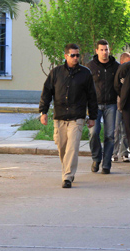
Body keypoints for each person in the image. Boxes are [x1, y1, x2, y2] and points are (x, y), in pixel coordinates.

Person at [39, 43, 97, 188]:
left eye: (78, 55)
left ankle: (67, 177)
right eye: (73, 55)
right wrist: (43, 111)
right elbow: (46, 92)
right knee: (62, 147)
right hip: (59, 117)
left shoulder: (85, 73)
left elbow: (92, 96)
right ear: (65, 56)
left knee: (72, 147)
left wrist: (93, 116)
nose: (76, 58)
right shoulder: (56, 73)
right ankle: (67, 169)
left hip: (77, 117)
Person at [86, 39, 120, 174]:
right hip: (94, 105)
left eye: (106, 49)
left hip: (111, 105)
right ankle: (96, 158)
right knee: (93, 133)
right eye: (101, 50)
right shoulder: (90, 66)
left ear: (109, 50)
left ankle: (106, 164)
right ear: (97, 51)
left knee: (110, 136)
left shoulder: (116, 66)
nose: (104, 52)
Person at [113, 52, 130, 163]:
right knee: (115, 130)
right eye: (127, 62)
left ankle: (125, 153)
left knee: (126, 131)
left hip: (128, 106)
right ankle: (113, 153)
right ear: (122, 62)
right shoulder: (118, 73)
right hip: (118, 105)